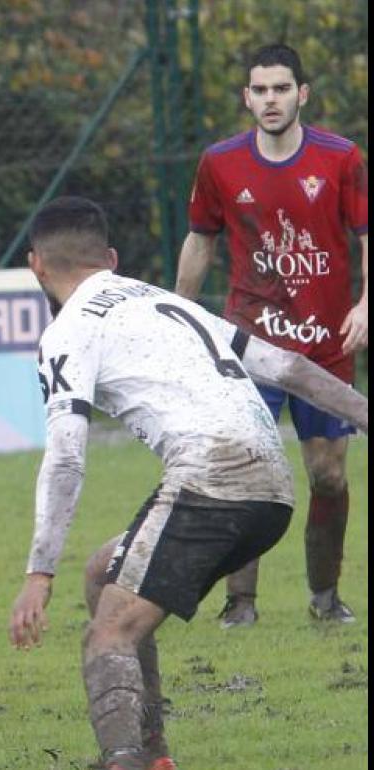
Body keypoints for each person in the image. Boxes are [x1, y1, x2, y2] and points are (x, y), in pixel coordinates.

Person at [7, 197, 367, 770]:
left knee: (107, 638)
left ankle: (124, 761)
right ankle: (155, 757)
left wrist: (37, 574)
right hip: (272, 490)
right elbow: (292, 369)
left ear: (36, 266)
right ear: (112, 258)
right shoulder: (167, 301)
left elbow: (68, 455)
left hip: (212, 483)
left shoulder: (66, 332)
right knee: (106, 573)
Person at [175, 43, 368, 626]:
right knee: (245, 468)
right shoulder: (220, 163)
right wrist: (179, 316)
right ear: (247, 97)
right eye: (260, 90)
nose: (270, 99)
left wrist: (366, 302)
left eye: (281, 88)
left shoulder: (342, 158)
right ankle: (241, 603)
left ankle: (325, 598)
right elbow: (201, 239)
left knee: (327, 473)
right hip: (249, 346)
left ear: (301, 94)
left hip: (325, 345)